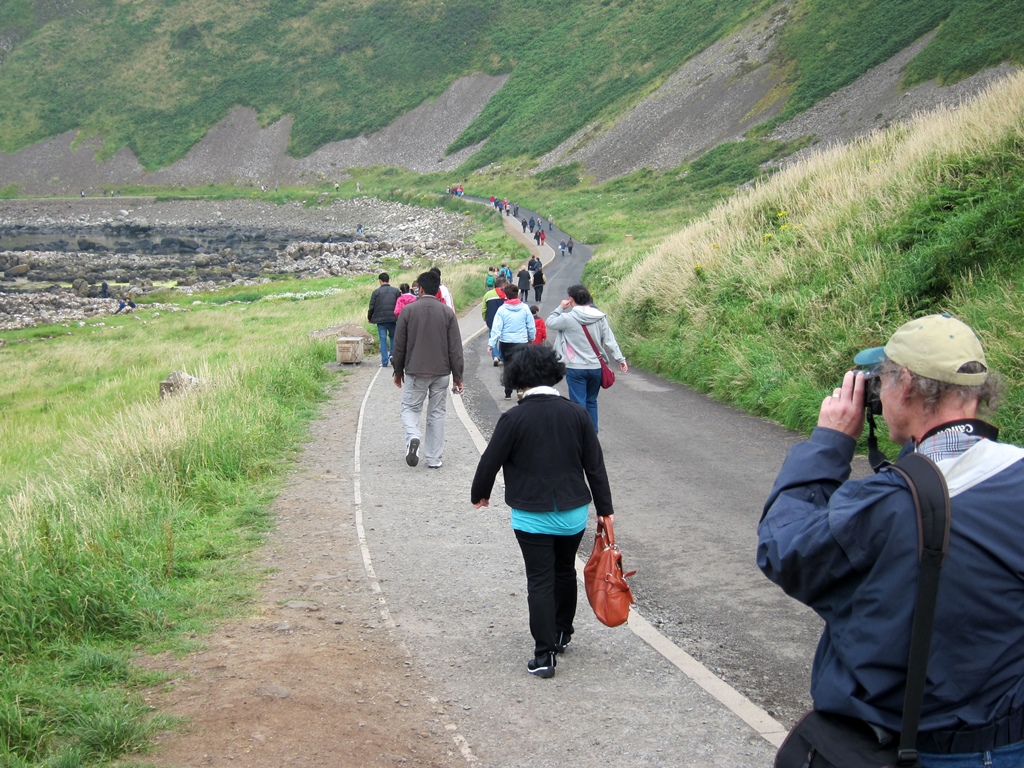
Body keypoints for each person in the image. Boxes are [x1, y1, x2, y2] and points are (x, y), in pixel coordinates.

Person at [758, 314, 1024, 767]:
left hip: (912, 750)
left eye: (881, 379)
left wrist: (829, 443)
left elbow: (784, 548)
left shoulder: (886, 505)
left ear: (904, 386)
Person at [471, 344, 615, 679]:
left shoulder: (513, 418)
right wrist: (605, 510)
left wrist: (481, 494)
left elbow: (489, 461)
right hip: (573, 512)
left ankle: (544, 654)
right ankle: (563, 632)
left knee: (539, 580)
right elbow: (595, 466)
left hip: (531, 514)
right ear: (554, 373)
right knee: (565, 571)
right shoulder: (577, 414)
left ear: (517, 378)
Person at [392, 271, 464, 470]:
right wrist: (458, 376)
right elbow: (455, 348)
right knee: (437, 413)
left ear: (420, 289)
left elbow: (399, 345)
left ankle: (413, 436)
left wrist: (398, 371)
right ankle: (433, 459)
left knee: (410, 408)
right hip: (441, 373)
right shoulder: (447, 313)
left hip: (416, 370)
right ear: (437, 288)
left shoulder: (408, 311)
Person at [546, 285, 627, 432]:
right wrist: (620, 359)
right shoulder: (599, 316)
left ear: (571, 299)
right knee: (591, 402)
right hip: (596, 366)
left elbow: (550, 322)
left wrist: (560, 308)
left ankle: (580, 436)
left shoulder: (567, 318)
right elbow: (610, 339)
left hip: (575, 368)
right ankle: (592, 435)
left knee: (577, 404)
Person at [488, 284, 535, 399]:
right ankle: (520, 388)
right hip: (521, 341)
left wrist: (491, 344)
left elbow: (496, 328)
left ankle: (508, 392)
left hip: (506, 342)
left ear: (506, 296)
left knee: (508, 366)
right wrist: (531, 337)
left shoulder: (502, 310)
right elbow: (531, 326)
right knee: (521, 365)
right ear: (517, 294)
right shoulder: (525, 308)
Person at [367, 272, 401, 367]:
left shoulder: (376, 292)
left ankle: (384, 361)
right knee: (393, 337)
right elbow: (399, 304)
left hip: (380, 320)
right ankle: (392, 356)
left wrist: (369, 317)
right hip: (393, 318)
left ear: (380, 281)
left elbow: (372, 307)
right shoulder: (395, 291)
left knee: (383, 339)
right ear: (388, 280)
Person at [482, 276, 508, 366]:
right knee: (503, 339)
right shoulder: (506, 295)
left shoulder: (488, 294)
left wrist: (485, 318)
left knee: (492, 338)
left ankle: (495, 356)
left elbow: (484, 309)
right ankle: (502, 356)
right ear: (504, 285)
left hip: (491, 320)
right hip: (504, 321)